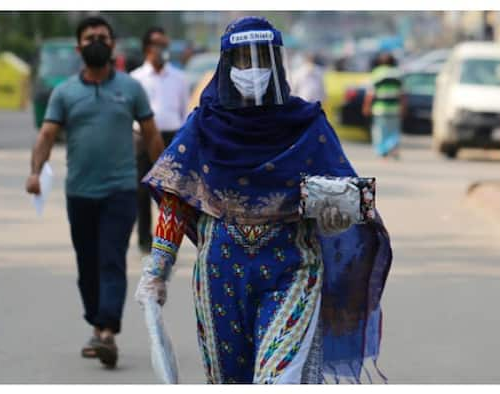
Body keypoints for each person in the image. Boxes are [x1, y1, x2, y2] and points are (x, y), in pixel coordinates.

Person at [134, 16, 393, 384]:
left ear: (277, 62)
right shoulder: (204, 126)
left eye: (262, 59)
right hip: (219, 274)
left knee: (278, 381)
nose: (252, 69)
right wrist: (157, 269)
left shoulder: (306, 124)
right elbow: (177, 193)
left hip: (292, 269)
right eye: (242, 60)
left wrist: (337, 214)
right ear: (227, 66)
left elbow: (347, 197)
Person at [25, 16, 165, 369]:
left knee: (111, 258)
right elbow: (45, 135)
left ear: (113, 45)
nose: (96, 42)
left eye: (102, 37)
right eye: (89, 38)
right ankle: (97, 322)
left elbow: (150, 134)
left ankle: (106, 332)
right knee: (87, 264)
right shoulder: (65, 92)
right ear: (79, 48)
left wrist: (165, 175)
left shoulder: (131, 89)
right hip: (80, 193)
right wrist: (34, 172)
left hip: (120, 190)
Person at [131, 27, 190, 253]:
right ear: (147, 48)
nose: (163, 50)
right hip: (143, 137)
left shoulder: (179, 77)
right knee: (143, 190)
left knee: (172, 191)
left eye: (166, 45)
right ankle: (145, 240)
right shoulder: (136, 78)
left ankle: (170, 238)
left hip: (172, 137)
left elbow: (184, 110)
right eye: (158, 45)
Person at [362, 52, 404, 159]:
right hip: (394, 108)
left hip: (380, 108)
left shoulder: (377, 73)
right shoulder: (398, 73)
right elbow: (402, 94)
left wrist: (366, 106)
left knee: (380, 131)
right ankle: (393, 149)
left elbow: (371, 93)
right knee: (393, 131)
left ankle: (382, 152)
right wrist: (403, 107)